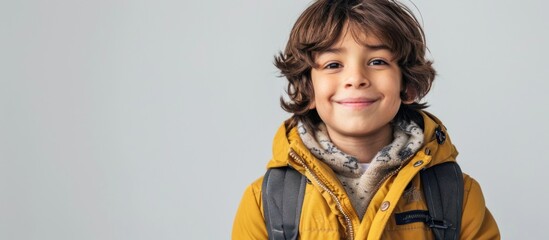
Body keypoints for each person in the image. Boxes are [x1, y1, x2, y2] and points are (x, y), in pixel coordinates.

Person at [232, 0, 500, 239]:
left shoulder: (457, 195)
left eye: (377, 61)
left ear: (406, 82)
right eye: (333, 65)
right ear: (308, 88)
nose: (356, 78)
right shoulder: (266, 203)